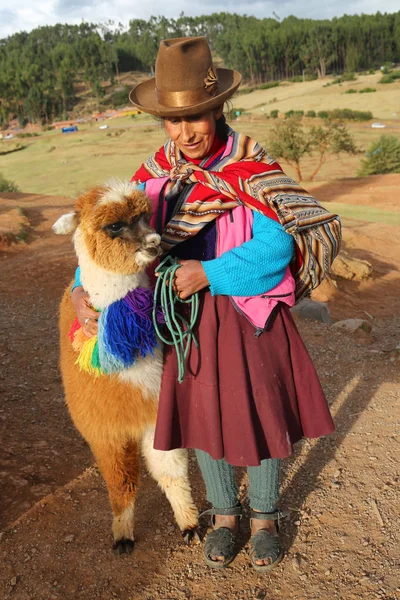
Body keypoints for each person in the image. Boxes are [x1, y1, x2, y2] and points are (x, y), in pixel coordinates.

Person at [71, 36, 336, 572]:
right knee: (201, 417)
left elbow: (277, 243)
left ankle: (264, 515)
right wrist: (82, 286)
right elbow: (111, 236)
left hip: (246, 313)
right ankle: (223, 515)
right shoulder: (154, 175)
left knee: (257, 413)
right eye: (174, 121)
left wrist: (209, 271)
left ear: (219, 110)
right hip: (180, 319)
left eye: (198, 116)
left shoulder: (250, 166)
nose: (186, 131)